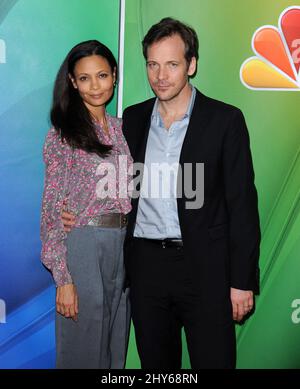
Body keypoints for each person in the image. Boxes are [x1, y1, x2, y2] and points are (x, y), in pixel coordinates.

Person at [63, 18, 261, 369]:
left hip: (205, 268)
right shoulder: (132, 120)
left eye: (172, 64)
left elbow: (242, 205)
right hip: (146, 268)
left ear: (192, 65)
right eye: (153, 65)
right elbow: (110, 183)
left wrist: (242, 281)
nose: (161, 75)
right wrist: (73, 212)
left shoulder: (224, 120)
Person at [40, 40, 132, 369]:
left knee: (115, 345)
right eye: (85, 78)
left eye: (102, 75)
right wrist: (63, 279)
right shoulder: (62, 136)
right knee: (83, 351)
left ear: (115, 76)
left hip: (124, 246)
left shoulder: (125, 130)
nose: (95, 86)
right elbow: (52, 208)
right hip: (84, 244)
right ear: (72, 82)